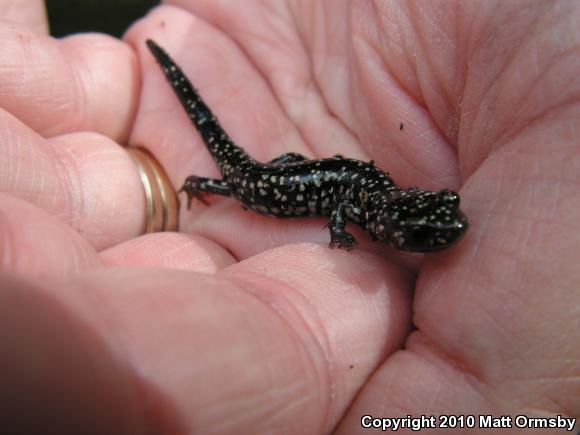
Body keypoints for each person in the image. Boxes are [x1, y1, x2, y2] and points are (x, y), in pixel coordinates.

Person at [0, 1, 578, 434]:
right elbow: (347, 205)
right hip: (259, 183)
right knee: (245, 187)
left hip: (289, 170)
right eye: (431, 231)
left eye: (436, 222)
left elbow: (354, 198)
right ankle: (203, 174)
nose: (448, 230)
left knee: (263, 175)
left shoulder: (384, 206)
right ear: (398, 226)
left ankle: (209, 160)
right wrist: (334, 231)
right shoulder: (371, 210)